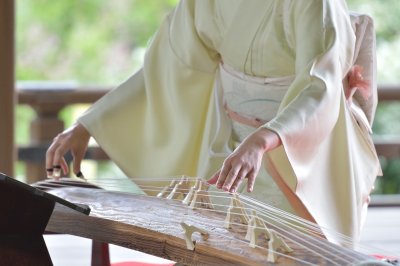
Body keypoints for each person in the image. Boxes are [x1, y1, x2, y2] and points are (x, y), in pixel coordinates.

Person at [46, 0, 381, 245]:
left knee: (287, 249)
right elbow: (168, 69)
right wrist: (88, 125)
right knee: (206, 242)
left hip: (298, 152)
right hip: (228, 145)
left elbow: (319, 86)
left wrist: (264, 139)